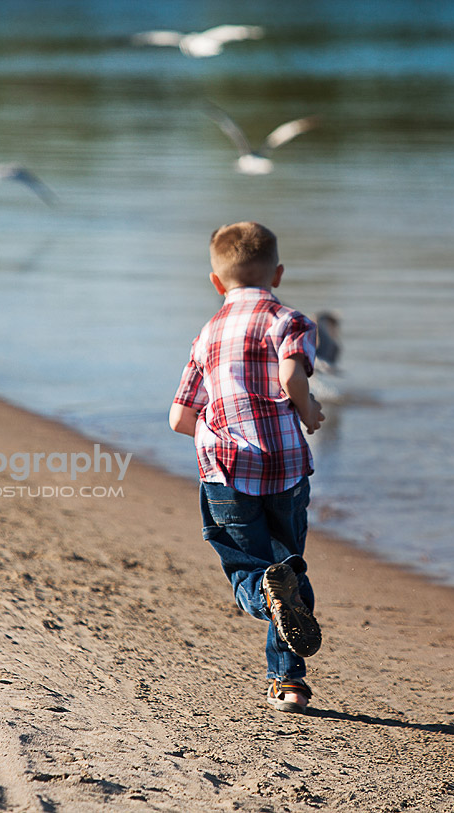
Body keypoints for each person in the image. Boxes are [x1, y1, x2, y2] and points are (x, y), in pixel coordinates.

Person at [169, 221, 326, 713]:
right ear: (277, 273)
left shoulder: (208, 334)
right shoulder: (289, 321)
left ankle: (265, 594)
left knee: (247, 565)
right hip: (285, 468)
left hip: (228, 469)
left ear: (216, 282)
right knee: (289, 566)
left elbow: (179, 417)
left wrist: (214, 432)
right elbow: (290, 373)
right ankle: (289, 683)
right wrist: (308, 410)